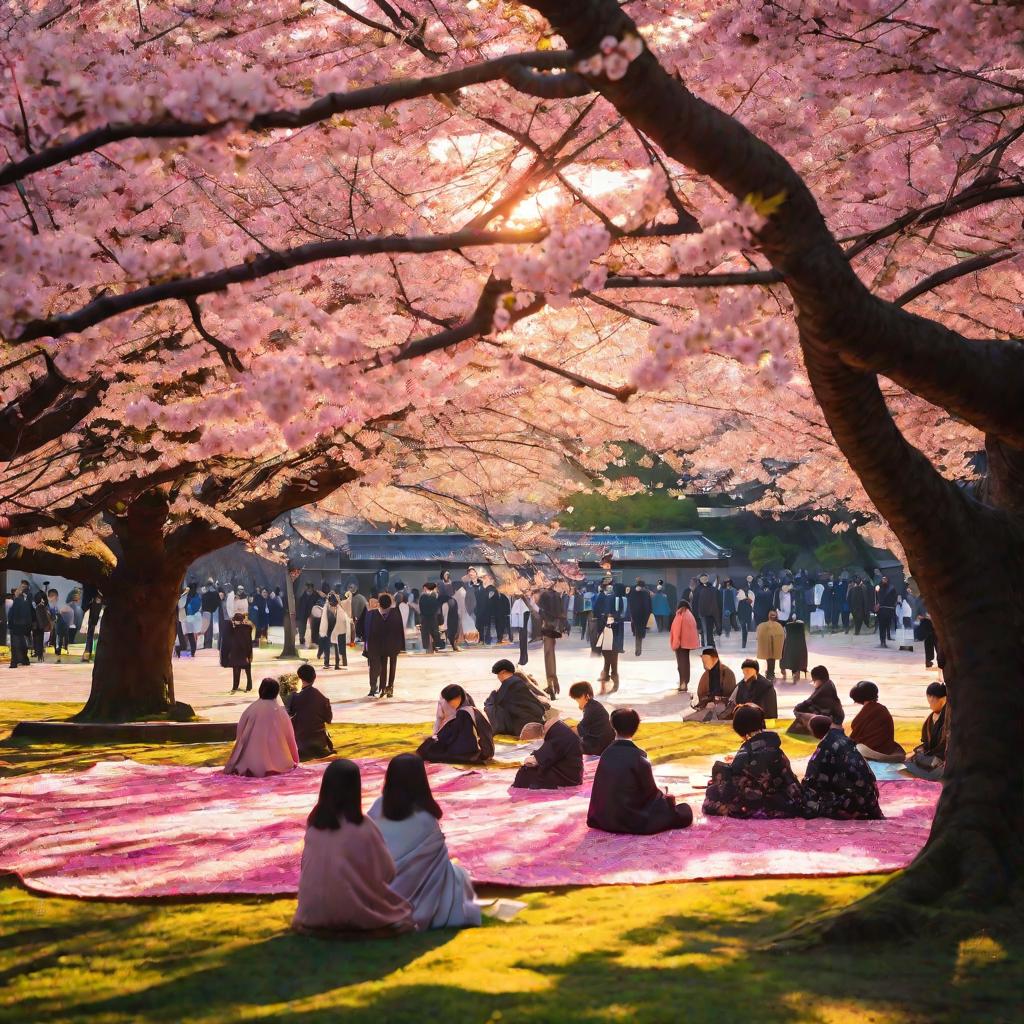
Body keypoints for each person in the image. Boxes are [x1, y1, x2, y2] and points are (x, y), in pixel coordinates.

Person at [292, 759, 414, 937]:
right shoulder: (364, 826)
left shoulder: (314, 824)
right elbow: (388, 872)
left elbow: (305, 867)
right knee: (403, 911)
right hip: (351, 910)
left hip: (309, 913)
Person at [368, 754, 480, 930]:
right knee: (459, 875)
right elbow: (438, 865)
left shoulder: (377, 807)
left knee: (457, 874)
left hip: (378, 892)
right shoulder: (426, 818)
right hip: (417, 896)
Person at [587, 708, 693, 833]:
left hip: (604, 817)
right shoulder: (638, 758)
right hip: (630, 818)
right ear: (636, 727)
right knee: (685, 811)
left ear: (613, 726)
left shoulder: (606, 754)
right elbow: (651, 794)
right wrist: (666, 799)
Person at [703, 705, 807, 819]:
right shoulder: (773, 747)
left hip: (749, 804)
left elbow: (737, 780)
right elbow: (787, 778)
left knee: (713, 790)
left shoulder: (746, 751)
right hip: (772, 801)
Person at [802, 715, 883, 820]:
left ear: (815, 731)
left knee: (810, 801)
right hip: (870, 797)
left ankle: (852, 811)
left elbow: (811, 778)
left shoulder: (825, 747)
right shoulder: (843, 739)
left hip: (853, 799)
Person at [223, 677, 300, 777]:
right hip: (279, 762)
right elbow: (290, 738)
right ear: (276, 692)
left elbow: (240, 737)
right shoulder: (280, 711)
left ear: (260, 690)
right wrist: (294, 758)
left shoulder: (250, 709)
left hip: (248, 761)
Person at [417, 684, 494, 763]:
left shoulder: (463, 713)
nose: (450, 704)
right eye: (448, 701)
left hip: (470, 752)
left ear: (459, 697)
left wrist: (437, 738)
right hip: (479, 749)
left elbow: (455, 735)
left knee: (429, 750)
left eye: (451, 700)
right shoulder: (470, 709)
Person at [512, 713, 584, 789]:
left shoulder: (558, 737)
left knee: (526, 772)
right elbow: (547, 755)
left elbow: (538, 759)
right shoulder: (559, 732)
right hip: (571, 774)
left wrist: (530, 760)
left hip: (569, 778)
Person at [483, 659, 549, 737]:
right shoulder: (518, 681)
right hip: (533, 719)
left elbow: (496, 702)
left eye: (498, 674)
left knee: (492, 707)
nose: (498, 677)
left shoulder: (508, 683)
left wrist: (493, 695)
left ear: (503, 672)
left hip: (519, 724)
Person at [848, 681, 906, 762]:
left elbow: (856, 734)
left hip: (874, 748)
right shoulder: (880, 708)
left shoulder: (872, 709)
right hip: (886, 747)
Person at [289, 663, 335, 759]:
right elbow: (329, 719)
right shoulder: (323, 699)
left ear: (299, 678)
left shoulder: (294, 698)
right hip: (319, 744)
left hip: (300, 743)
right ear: (314, 677)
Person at [904, 682, 948, 781]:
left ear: (940, 699)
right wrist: (917, 751)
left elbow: (948, 745)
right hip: (933, 757)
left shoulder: (950, 717)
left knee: (934, 769)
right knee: (909, 760)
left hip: (945, 760)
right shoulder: (930, 719)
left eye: (931, 701)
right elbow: (926, 743)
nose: (930, 704)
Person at [365, 592, 405, 698]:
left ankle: (383, 688)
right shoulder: (396, 613)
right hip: (394, 645)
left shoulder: (375, 614)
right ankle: (389, 687)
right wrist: (402, 645)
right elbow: (400, 629)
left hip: (382, 646)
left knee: (383, 665)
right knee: (392, 665)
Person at [789, 664, 845, 734]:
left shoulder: (824, 691)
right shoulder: (828, 685)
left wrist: (799, 711)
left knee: (803, 716)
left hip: (831, 723)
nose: (814, 683)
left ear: (818, 679)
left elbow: (807, 704)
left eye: (814, 680)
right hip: (834, 721)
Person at [685, 648, 736, 721]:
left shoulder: (727, 673)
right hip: (707, 706)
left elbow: (730, 696)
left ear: (715, 658)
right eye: (703, 660)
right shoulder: (706, 674)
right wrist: (704, 702)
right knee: (688, 720)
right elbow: (701, 693)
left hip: (722, 706)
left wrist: (714, 701)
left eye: (706, 659)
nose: (704, 662)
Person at [592, 582, 625, 693]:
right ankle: (607, 676)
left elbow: (620, 613)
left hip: (613, 630)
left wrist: (612, 618)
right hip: (607, 629)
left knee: (612, 655)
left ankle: (613, 679)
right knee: (608, 654)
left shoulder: (617, 598)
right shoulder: (605, 596)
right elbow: (597, 610)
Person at [569, 681, 615, 755]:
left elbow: (579, 730)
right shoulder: (594, 705)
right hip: (604, 742)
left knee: (568, 743)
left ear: (584, 696)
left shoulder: (591, 710)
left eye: (577, 698)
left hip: (598, 746)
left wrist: (562, 731)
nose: (577, 701)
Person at [537, 585, 565, 698]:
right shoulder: (557, 595)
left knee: (548, 656)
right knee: (551, 655)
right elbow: (562, 613)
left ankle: (551, 686)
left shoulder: (544, 594)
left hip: (548, 627)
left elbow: (541, 612)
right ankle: (553, 684)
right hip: (555, 628)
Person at [668, 599, 700, 693]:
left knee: (681, 665)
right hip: (687, 644)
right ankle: (685, 682)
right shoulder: (689, 614)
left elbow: (677, 630)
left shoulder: (680, 614)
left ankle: (683, 684)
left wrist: (675, 644)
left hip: (681, 644)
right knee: (686, 663)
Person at [222, 611, 254, 692]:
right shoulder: (247, 629)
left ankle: (235, 687)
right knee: (248, 671)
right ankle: (249, 686)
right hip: (246, 653)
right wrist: (249, 654)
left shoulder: (234, 630)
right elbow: (249, 643)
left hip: (236, 653)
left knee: (236, 670)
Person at [7, 582, 32, 668]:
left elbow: (15, 614)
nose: (17, 589)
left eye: (19, 587)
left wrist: (11, 624)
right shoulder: (24, 600)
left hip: (16, 626)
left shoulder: (19, 600)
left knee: (15, 644)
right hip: (21, 625)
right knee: (21, 643)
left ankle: (14, 662)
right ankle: (24, 660)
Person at [322, 593, 350, 670]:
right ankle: (331, 664)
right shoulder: (334, 608)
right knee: (334, 646)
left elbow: (342, 619)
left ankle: (329, 663)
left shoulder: (331, 607)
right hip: (331, 630)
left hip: (332, 630)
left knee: (333, 646)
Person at [755, 609, 785, 681]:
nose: (772, 616)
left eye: (773, 615)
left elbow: (759, 635)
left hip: (771, 647)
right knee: (771, 660)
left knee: (770, 660)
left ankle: (770, 673)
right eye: (771, 615)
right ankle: (770, 673)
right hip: (769, 647)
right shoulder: (778, 626)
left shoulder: (764, 625)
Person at [692, 573, 720, 648]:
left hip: (711, 612)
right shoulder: (698, 589)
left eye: (705, 578)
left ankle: (710, 643)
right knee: (704, 629)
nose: (704, 579)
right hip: (702, 613)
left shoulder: (712, 588)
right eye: (702, 578)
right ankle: (706, 643)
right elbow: (695, 602)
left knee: (709, 629)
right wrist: (695, 613)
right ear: (700, 580)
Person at [627, 578, 653, 656]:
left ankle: (638, 649)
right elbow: (649, 605)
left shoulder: (633, 592)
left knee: (638, 633)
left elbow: (630, 603)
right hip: (642, 616)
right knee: (639, 633)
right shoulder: (646, 593)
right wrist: (650, 613)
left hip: (636, 615)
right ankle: (638, 649)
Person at [779, 613, 807, 682]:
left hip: (790, 645)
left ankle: (794, 674)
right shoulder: (800, 626)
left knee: (791, 659)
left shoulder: (789, 626)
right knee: (795, 660)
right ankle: (795, 674)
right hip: (797, 645)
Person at [417, 582, 443, 654]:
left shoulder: (424, 596)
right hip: (433, 617)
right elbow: (437, 608)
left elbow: (421, 608)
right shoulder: (435, 595)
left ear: (426, 588)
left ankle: (428, 648)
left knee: (427, 633)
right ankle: (434, 647)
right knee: (434, 632)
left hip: (426, 617)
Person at [875, 575, 897, 647]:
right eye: (883, 579)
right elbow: (876, 597)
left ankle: (886, 639)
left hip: (888, 610)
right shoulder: (879, 587)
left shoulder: (891, 588)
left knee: (887, 625)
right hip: (882, 610)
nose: (884, 580)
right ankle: (883, 642)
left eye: (885, 579)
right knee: (882, 627)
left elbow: (894, 598)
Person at [296, 583, 317, 648]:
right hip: (303, 613)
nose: (309, 589)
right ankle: (301, 638)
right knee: (302, 627)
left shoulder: (315, 595)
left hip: (312, 613)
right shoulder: (302, 596)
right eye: (308, 588)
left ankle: (313, 640)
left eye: (310, 588)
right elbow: (298, 606)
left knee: (313, 627)